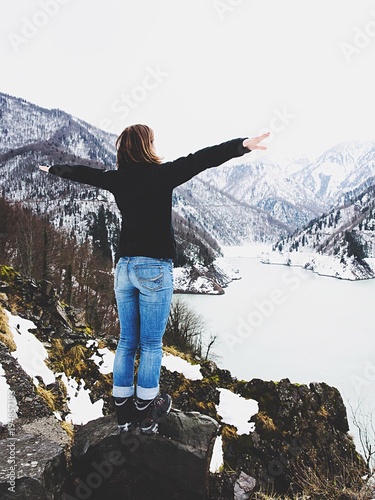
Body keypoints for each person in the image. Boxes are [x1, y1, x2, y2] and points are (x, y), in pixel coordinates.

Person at [39, 125, 269, 434]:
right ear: (147, 145)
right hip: (154, 268)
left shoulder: (116, 179)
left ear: (124, 149)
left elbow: (83, 173)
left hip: (124, 268)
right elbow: (203, 158)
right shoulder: (162, 175)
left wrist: (53, 168)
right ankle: (146, 412)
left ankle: (123, 411)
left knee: (126, 341)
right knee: (150, 344)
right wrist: (242, 144)